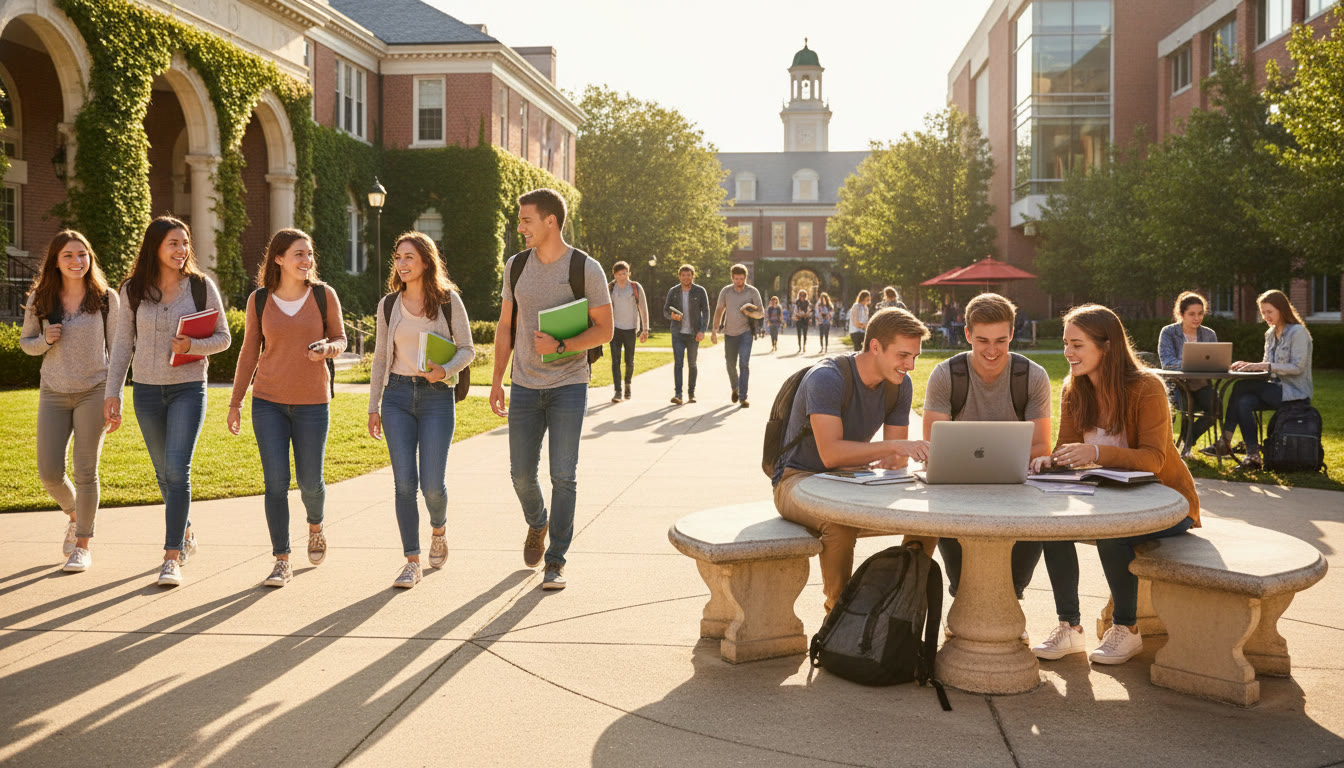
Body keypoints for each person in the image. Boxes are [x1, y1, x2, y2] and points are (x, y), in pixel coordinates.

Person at [1029, 304, 1200, 665]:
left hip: (1166, 503)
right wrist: (1053, 459)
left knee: (1114, 532)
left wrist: (1096, 451)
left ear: (1106, 346)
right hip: (1108, 497)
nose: (1068, 353)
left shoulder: (1146, 388)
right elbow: (1068, 446)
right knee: (1050, 525)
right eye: (1066, 344)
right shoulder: (1074, 389)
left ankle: (1127, 628)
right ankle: (1069, 628)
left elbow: (1154, 459)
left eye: (1077, 345)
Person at [772, 307, 932, 613]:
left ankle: (901, 603)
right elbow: (830, 454)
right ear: (875, 347)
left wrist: (897, 458)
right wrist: (894, 448)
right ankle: (839, 616)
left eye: (915, 356)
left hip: (853, 478)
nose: (910, 365)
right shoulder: (827, 377)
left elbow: (895, 456)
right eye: (902, 355)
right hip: (797, 479)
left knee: (929, 517)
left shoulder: (899, 384)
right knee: (838, 523)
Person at [491, 189, 612, 590]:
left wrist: (561, 346)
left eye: (526, 220)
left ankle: (556, 559)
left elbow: (604, 330)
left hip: (569, 384)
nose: (520, 227)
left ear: (550, 221)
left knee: (564, 474)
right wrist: (496, 380)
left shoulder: (584, 268)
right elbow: (506, 326)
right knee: (521, 473)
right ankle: (537, 521)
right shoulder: (516, 266)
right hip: (524, 383)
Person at [104, 216, 231, 588]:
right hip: (145, 390)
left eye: (185, 243)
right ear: (155, 248)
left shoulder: (201, 287)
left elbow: (222, 337)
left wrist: (194, 346)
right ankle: (186, 529)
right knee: (163, 473)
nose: (181, 250)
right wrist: (113, 393)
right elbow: (122, 345)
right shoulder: (132, 289)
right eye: (173, 243)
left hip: (188, 388)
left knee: (177, 468)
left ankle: (171, 555)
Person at [918, 293, 1052, 631]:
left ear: (1012, 334)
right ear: (967, 334)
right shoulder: (946, 374)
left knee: (1038, 516)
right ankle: (963, 595)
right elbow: (935, 446)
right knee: (945, 513)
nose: (992, 350)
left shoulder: (1031, 376)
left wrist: (1025, 461)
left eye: (1001, 341)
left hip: (1015, 482)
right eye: (982, 341)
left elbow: (1040, 445)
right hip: (957, 483)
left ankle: (1010, 598)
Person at [229, 228, 347, 588]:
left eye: (309, 254)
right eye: (299, 254)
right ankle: (281, 559)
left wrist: (326, 350)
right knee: (276, 483)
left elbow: (341, 339)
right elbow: (249, 351)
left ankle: (315, 526)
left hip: (313, 402)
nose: (307, 260)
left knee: (311, 482)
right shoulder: (259, 300)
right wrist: (236, 402)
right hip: (268, 402)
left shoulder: (324, 296)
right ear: (278, 258)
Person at [367, 232, 475, 588]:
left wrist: (445, 371)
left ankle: (438, 530)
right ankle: (411, 561)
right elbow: (382, 357)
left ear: (426, 261)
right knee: (403, 484)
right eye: (398, 257)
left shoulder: (447, 301)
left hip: (436, 398)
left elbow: (467, 349)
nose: (402, 263)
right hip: (397, 396)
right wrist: (374, 407)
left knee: (432, 485)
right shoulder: (388, 305)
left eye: (409, 257)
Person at [20, 230, 118, 574]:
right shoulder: (41, 299)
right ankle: (76, 515)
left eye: (82, 255)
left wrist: (114, 395)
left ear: (90, 258)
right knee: (49, 471)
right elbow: (26, 343)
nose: (77, 262)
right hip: (54, 391)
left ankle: (82, 546)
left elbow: (118, 352)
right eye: (68, 256)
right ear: (56, 261)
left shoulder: (106, 298)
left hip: (94, 389)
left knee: (85, 470)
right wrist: (44, 340)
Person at [1204, 290, 1313, 472]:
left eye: (1269, 312)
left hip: (1294, 393)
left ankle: (1225, 441)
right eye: (1263, 313)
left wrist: (1263, 366)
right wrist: (1246, 367)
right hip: (1273, 390)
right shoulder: (1270, 334)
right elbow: (1264, 370)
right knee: (1243, 401)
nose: (1266, 317)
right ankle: (1253, 457)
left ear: (1282, 309)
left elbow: (1297, 368)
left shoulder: (1298, 332)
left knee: (1239, 387)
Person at [1157, 291, 1218, 456]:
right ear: (1181, 314)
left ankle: (1187, 440)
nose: (1196, 318)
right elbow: (1168, 363)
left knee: (1215, 409)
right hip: (1178, 383)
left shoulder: (1209, 334)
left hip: (1201, 382)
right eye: (1191, 314)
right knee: (1186, 408)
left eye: (1200, 314)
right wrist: (1191, 363)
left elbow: (1214, 361)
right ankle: (1186, 447)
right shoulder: (1168, 332)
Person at [711, 263, 764, 408]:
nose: (739, 282)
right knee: (730, 364)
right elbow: (719, 310)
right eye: (736, 279)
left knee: (744, 364)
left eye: (741, 279)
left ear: (746, 278)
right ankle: (735, 387)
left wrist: (748, 313)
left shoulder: (752, 292)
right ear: (732, 278)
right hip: (729, 333)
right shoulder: (726, 291)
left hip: (746, 333)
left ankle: (743, 397)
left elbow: (761, 313)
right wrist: (715, 330)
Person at [663, 264, 709, 405]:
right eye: (683, 275)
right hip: (678, 333)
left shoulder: (700, 291)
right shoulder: (674, 291)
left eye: (688, 275)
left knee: (692, 364)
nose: (686, 277)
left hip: (694, 334)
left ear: (692, 276)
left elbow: (706, 312)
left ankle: (691, 393)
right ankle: (678, 394)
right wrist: (672, 316)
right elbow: (665, 311)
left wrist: (702, 330)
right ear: (680, 276)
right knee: (678, 364)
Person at [607, 261, 649, 403]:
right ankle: (618, 391)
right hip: (615, 329)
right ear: (615, 274)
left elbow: (643, 308)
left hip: (631, 328)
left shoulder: (635, 287)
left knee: (629, 361)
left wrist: (645, 328)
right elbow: (605, 308)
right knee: (616, 361)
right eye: (620, 274)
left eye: (625, 273)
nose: (623, 276)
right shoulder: (611, 287)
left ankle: (628, 385)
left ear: (629, 273)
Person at [793, 289, 813, 354]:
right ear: (799, 295)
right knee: (799, 334)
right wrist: (798, 314)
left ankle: (804, 346)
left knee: (805, 334)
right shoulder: (797, 302)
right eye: (801, 295)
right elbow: (795, 310)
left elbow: (809, 311)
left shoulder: (807, 302)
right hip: (799, 319)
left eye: (803, 295)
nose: (802, 296)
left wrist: (807, 314)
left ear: (805, 295)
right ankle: (799, 347)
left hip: (805, 319)